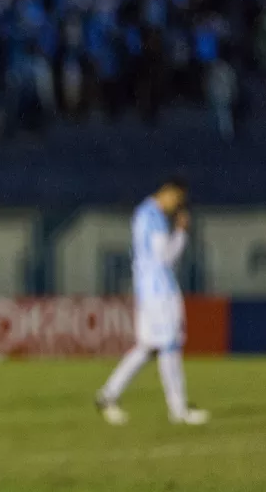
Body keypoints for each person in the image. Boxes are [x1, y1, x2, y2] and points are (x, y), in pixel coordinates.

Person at [96, 177, 210, 426]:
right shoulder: (154, 216)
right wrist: (181, 232)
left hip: (145, 290)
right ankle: (178, 410)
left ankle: (108, 395)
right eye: (177, 200)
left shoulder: (142, 213)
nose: (177, 206)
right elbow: (165, 256)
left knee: (147, 347)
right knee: (170, 346)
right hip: (159, 291)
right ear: (168, 192)